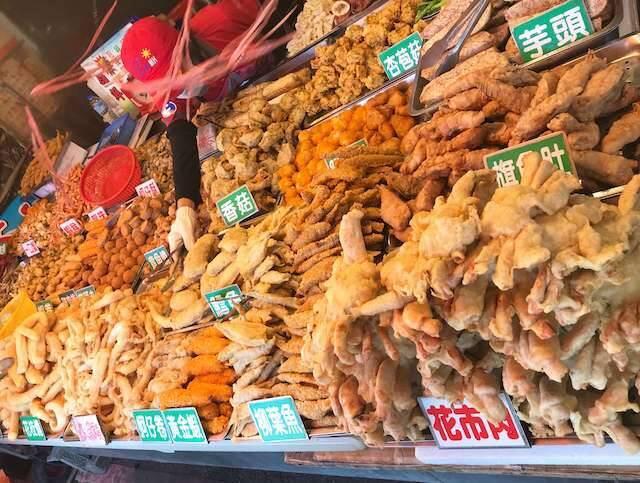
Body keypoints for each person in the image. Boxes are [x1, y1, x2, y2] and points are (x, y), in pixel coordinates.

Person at [120, 0, 260, 254]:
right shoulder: (166, 93)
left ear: (182, 41)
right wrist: (185, 206)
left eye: (178, 69)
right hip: (246, 118)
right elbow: (180, 135)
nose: (179, 83)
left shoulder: (224, 18)